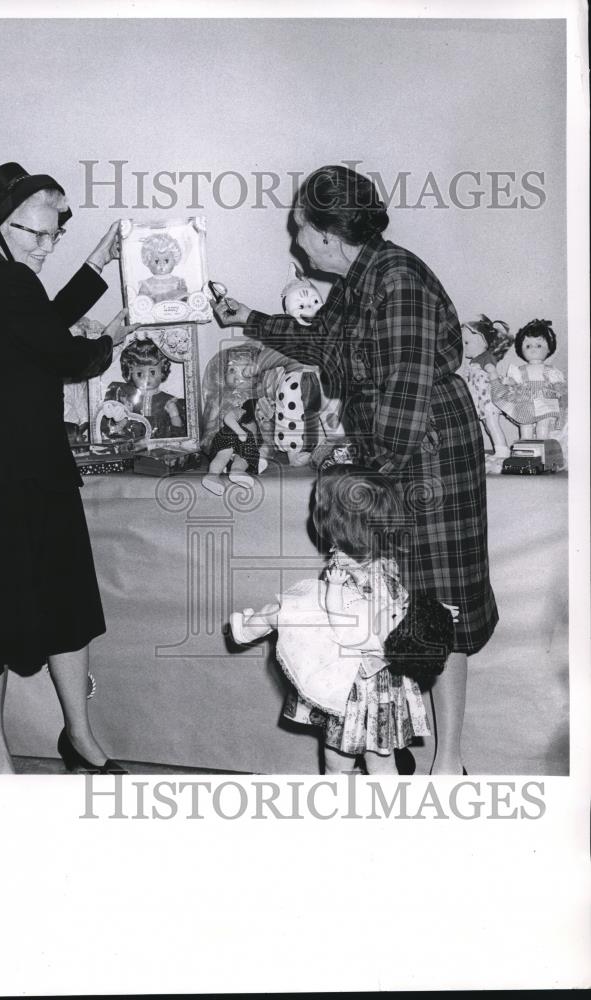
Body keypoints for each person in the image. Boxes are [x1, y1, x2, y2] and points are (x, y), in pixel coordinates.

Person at [213, 164, 498, 775]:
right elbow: (329, 347)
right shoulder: (361, 276)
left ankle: (448, 763)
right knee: (387, 608)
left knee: (436, 603)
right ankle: (386, 743)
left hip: (427, 453)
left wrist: (369, 483)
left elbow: (405, 388)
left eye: (299, 229)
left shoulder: (397, 279)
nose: (295, 240)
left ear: (327, 232)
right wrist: (251, 319)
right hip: (391, 456)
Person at [0, 161, 137, 774]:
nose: (46, 244)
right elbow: (66, 352)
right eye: (35, 233)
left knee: (59, 603)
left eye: (54, 231)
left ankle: (74, 738)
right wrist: (115, 334)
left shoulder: (5, 279)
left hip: (32, 466)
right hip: (8, 475)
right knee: (5, 613)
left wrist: (98, 262)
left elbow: (43, 325)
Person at [231, 465, 455, 775]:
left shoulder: (364, 572)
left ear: (335, 522)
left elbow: (354, 629)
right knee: (381, 761)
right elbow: (397, 601)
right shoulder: (382, 562)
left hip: (353, 684)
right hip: (375, 687)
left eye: (319, 505)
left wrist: (335, 591)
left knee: (340, 762)